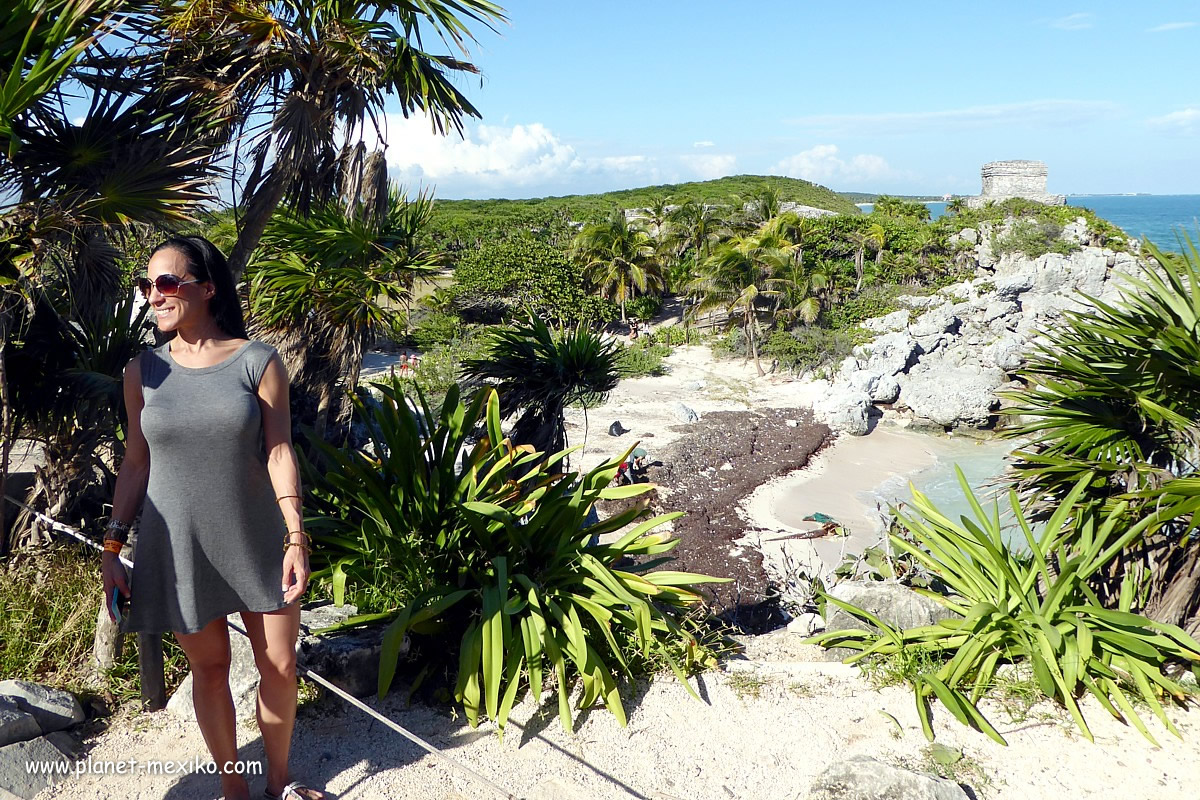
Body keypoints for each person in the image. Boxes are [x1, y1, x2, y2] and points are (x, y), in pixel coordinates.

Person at [101, 236, 324, 800]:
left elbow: (279, 452)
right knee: (209, 669)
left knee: (279, 664)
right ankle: (234, 790)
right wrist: (111, 550)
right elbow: (135, 461)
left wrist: (296, 538)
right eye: (147, 286)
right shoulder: (142, 372)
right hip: (177, 549)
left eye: (167, 283)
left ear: (207, 288)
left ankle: (277, 784)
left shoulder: (258, 360)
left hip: (257, 539)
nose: (154, 295)